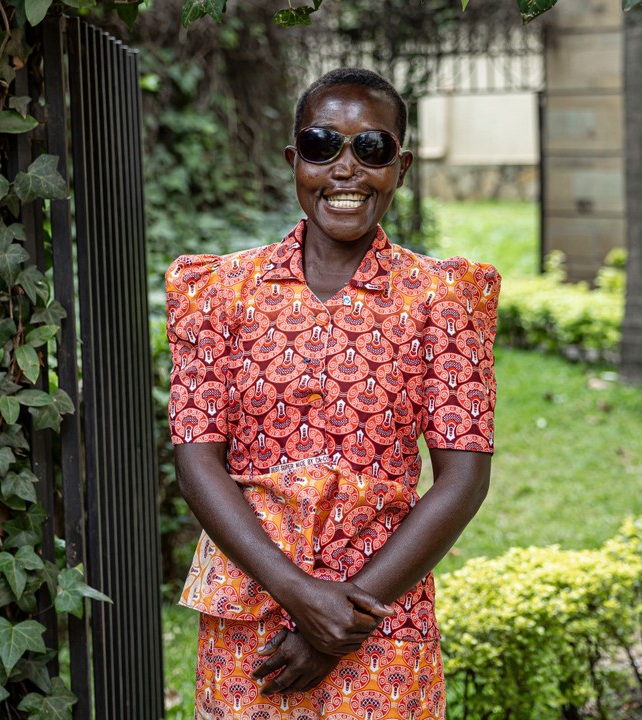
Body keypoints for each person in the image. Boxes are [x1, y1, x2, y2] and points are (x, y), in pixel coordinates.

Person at [166, 67, 501, 720]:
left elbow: (463, 482)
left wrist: (342, 616)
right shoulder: (219, 293)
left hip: (381, 616)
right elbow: (197, 459)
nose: (346, 169)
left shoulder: (442, 300)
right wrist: (299, 595)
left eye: (371, 149)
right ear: (295, 159)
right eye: (323, 145)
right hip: (249, 612)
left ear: (399, 167)